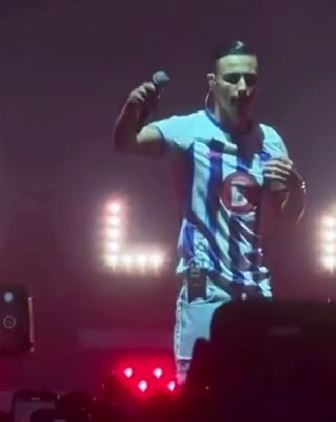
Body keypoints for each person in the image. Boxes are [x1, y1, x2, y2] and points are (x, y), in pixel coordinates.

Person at [112, 40, 306, 383]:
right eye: (232, 78)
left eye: (250, 79)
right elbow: (126, 143)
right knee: (199, 391)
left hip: (255, 290)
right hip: (206, 288)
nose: (242, 88)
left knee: (260, 391)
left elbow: (288, 215)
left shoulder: (270, 140)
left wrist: (298, 187)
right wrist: (132, 108)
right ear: (213, 83)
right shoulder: (188, 130)